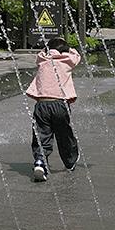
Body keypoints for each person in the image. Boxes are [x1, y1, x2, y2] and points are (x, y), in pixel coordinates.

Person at [26, 37, 81, 182]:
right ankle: (70, 161)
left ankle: (40, 161)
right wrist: (69, 49)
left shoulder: (43, 60)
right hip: (60, 104)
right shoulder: (67, 61)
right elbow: (77, 56)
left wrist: (47, 49)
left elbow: (40, 54)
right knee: (64, 134)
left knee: (41, 134)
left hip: (42, 104)